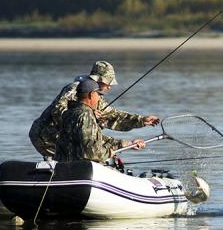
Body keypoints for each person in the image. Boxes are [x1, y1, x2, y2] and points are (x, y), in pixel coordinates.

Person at [29, 60, 159, 158]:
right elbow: (58, 110)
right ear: (98, 80)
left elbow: (112, 116)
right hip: (45, 136)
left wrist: (141, 120)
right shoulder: (75, 89)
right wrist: (87, 113)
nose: (110, 87)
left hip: (67, 139)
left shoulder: (96, 98)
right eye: (108, 83)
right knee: (85, 155)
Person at [55, 79, 147, 164]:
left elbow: (92, 139)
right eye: (98, 95)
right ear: (91, 95)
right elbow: (90, 152)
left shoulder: (69, 113)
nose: (99, 98)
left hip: (63, 166)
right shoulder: (86, 114)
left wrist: (128, 144)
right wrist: (108, 153)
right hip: (80, 169)